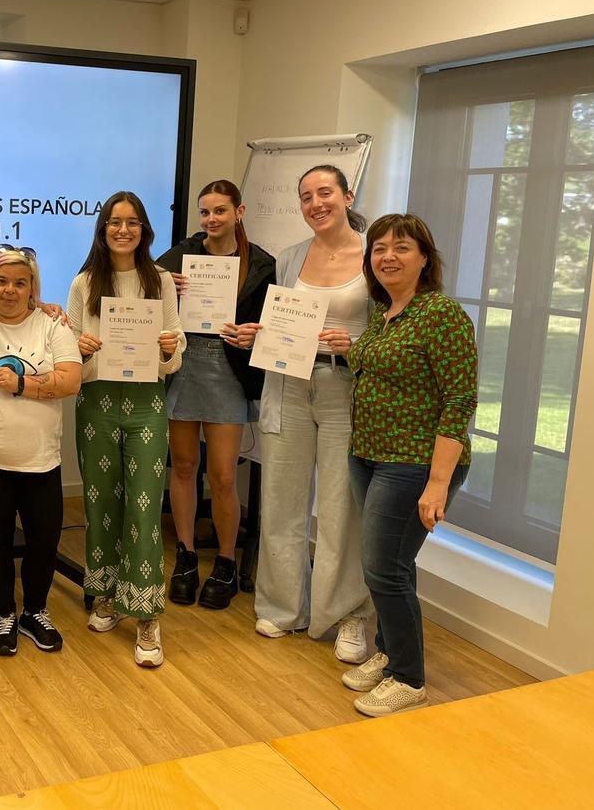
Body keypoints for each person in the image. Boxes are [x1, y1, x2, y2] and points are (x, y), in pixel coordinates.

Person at [342, 214, 476, 716]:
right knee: (392, 566)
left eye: (401, 248)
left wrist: (437, 483)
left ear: (424, 257)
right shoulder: (384, 313)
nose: (388, 257)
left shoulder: (441, 314)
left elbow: (460, 402)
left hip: (415, 462)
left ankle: (409, 678)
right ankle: (391, 653)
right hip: (369, 456)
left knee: (384, 569)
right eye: (378, 249)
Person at [254, 165, 375, 663]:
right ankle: (283, 607)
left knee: (340, 507)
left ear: (347, 196)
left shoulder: (375, 255)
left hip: (346, 388)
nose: (316, 204)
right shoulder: (290, 259)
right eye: (306, 197)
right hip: (288, 382)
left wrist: (357, 344)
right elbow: (279, 324)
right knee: (280, 500)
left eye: (325, 193)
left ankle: (346, 614)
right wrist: (254, 335)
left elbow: (394, 328)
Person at [68, 191, 185, 667]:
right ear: (102, 229)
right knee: (100, 502)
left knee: (142, 505)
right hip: (96, 403)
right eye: (115, 222)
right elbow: (68, 353)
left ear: (144, 230)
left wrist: (165, 349)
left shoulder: (160, 281)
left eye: (132, 222)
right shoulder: (83, 283)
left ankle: (147, 614)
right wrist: (82, 346)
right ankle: (105, 594)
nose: (123, 230)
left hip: (145, 404)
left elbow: (175, 357)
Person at [157, 180, 275, 609]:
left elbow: (272, 326)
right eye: (205, 212)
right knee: (185, 466)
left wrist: (253, 334)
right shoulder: (182, 253)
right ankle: (185, 556)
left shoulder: (261, 263)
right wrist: (164, 281)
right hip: (185, 366)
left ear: (239, 212)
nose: (211, 220)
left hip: (228, 370)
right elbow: (147, 283)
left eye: (220, 211)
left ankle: (225, 561)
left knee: (224, 475)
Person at [0, 247, 82, 656]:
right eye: (1, 281)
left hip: (41, 460)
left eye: (20, 282)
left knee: (44, 542)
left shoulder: (52, 326)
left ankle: (35, 611)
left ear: (33, 288)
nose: (10, 290)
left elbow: (70, 382)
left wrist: (22, 385)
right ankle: (5, 614)